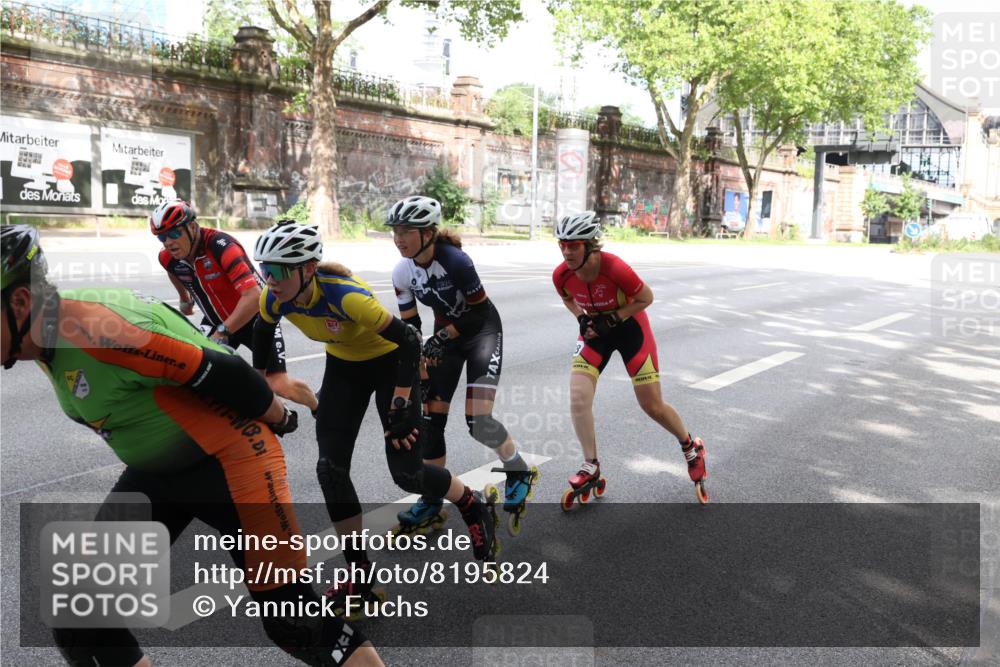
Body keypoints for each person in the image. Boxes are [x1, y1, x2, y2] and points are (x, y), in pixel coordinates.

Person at [0, 225, 382, 667]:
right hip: (163, 469)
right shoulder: (39, 336)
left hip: (234, 461)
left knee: (295, 623)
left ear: (21, 302)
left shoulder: (93, 328)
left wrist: (282, 417)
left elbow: (224, 372)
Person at [250, 219, 499, 616]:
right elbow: (262, 349)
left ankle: (470, 502)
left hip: (391, 363)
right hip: (343, 369)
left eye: (278, 270)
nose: (270, 279)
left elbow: (409, 340)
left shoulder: (346, 298)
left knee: (407, 473)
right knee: (330, 470)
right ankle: (360, 577)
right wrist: (261, 396)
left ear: (307, 269)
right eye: (264, 269)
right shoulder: (273, 298)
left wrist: (403, 401)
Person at [385, 196, 537, 536]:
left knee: (478, 421)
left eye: (406, 230)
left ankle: (518, 470)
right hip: (446, 339)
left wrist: (445, 335)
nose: (398, 238)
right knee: (430, 419)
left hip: (481, 332)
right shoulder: (401, 271)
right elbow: (411, 327)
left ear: (428, 233)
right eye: (395, 230)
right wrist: (420, 365)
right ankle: (432, 498)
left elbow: (479, 312)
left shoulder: (456, 261)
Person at [551, 211, 709, 506]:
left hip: (631, 331)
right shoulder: (561, 274)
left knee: (651, 405)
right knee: (578, 397)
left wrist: (615, 318)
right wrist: (580, 319)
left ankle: (691, 447)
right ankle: (591, 464)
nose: (566, 251)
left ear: (590, 246)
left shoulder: (615, 268)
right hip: (596, 334)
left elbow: (646, 297)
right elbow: (566, 297)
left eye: (574, 245)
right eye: (562, 244)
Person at [150, 199, 316, 411]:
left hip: (255, 318)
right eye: (161, 237)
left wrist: (222, 332)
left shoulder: (222, 246)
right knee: (192, 373)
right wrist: (184, 299)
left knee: (277, 384)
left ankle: (318, 406)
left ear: (192, 227)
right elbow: (174, 272)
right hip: (216, 321)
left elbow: (254, 297)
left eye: (174, 234)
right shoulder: (168, 258)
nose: (168, 242)